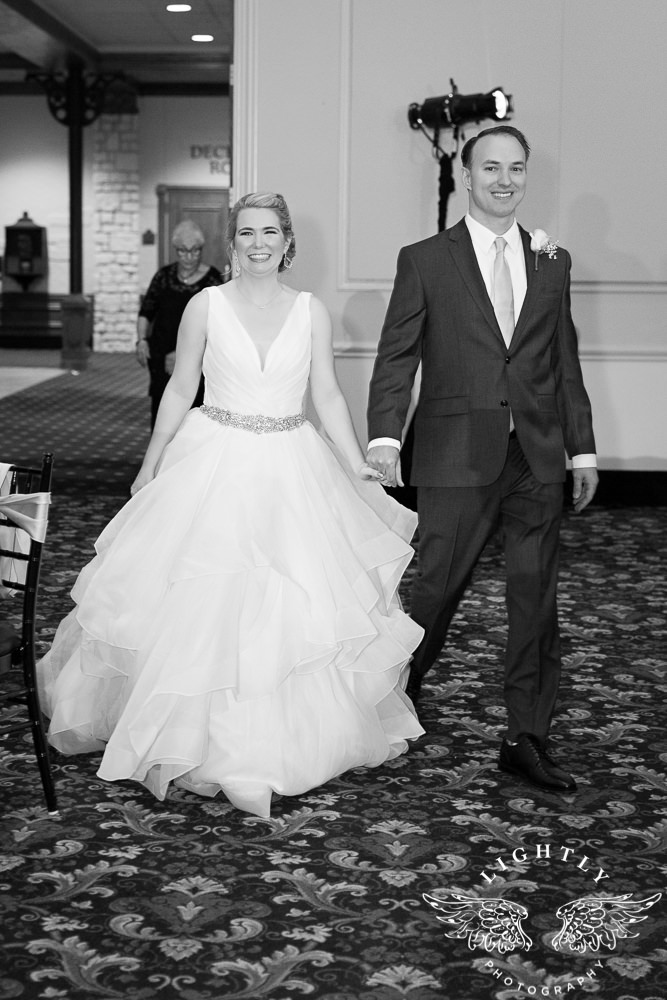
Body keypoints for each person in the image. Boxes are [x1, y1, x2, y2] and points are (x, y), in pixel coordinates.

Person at [38, 192, 424, 818]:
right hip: (213, 457)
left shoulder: (310, 310)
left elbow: (327, 393)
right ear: (233, 242)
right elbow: (180, 387)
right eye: (247, 233)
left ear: (287, 241)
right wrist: (150, 461)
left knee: (293, 599)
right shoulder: (205, 305)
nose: (258, 243)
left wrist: (354, 459)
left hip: (292, 463)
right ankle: (188, 736)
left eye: (270, 232)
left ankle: (279, 741)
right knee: (200, 596)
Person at [366, 126, 598, 793]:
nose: (504, 180)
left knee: (536, 600)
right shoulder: (424, 259)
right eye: (490, 168)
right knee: (435, 592)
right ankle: (393, 694)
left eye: (516, 168)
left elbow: (563, 360)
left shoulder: (552, 260)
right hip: (454, 454)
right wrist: (385, 438)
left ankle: (526, 735)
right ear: (466, 177)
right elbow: (396, 356)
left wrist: (581, 447)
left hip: (536, 454)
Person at [136, 220, 227, 427]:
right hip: (161, 354)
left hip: (197, 357)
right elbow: (146, 311)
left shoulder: (212, 280)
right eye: (183, 251)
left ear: (201, 250)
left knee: (193, 415)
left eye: (195, 250)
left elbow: (219, 325)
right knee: (162, 412)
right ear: (176, 250)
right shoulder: (163, 276)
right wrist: (141, 340)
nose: (189, 256)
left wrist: (184, 355)